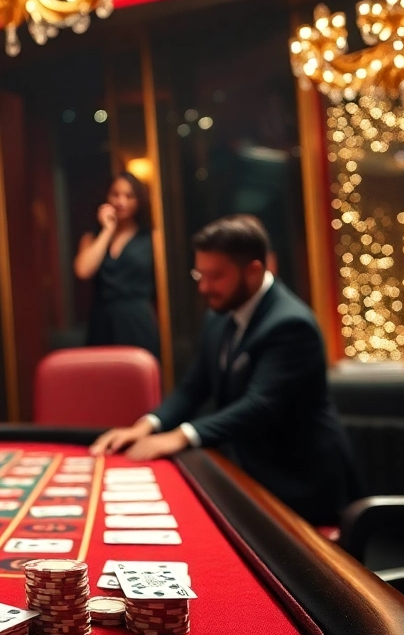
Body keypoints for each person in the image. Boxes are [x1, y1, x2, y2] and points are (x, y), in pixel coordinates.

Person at [89, 214, 357, 524]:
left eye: (216, 276)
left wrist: (182, 436)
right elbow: (194, 385)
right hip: (249, 471)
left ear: (254, 271)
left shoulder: (291, 325)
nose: (204, 287)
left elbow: (260, 405)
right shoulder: (219, 314)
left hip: (299, 484)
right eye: (199, 274)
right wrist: (148, 425)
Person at [74, 172, 160, 359]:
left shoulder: (152, 238)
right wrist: (107, 230)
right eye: (116, 194)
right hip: (101, 319)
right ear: (107, 197)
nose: (121, 201)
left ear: (139, 200)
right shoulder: (92, 238)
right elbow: (83, 271)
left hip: (137, 318)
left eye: (129, 196)